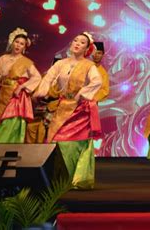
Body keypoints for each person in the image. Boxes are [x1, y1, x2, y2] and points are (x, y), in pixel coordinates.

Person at [33, 32, 102, 189]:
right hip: (63, 107)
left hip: (79, 110)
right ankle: (60, 178)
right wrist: (42, 92)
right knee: (56, 139)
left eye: (82, 42)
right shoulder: (61, 64)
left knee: (77, 144)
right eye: (75, 40)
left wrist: (81, 94)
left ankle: (78, 179)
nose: (77, 43)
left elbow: (97, 81)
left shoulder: (88, 66)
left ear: (87, 48)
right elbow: (48, 78)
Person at [0, 28, 41, 143]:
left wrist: (22, 87)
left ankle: (1, 147)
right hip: (3, 93)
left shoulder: (26, 62)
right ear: (12, 42)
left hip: (17, 97)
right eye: (17, 42)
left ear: (24, 47)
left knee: (11, 122)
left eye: (22, 44)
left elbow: (37, 77)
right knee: (0, 122)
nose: (18, 45)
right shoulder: (3, 58)